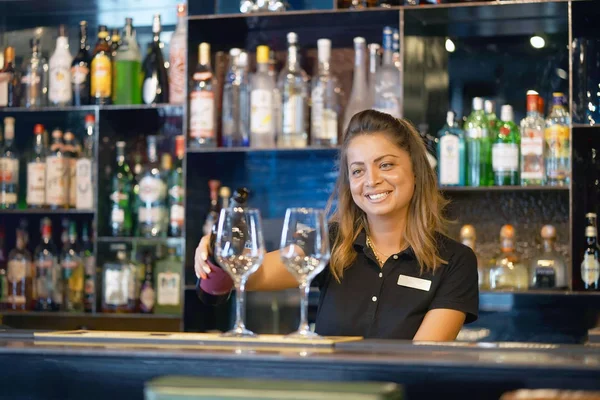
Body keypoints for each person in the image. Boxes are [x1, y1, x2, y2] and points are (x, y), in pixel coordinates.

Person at [195, 110, 479, 341]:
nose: (371, 180)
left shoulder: (454, 262)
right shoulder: (329, 242)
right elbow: (245, 276)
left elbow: (420, 362)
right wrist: (217, 253)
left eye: (386, 165)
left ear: (416, 171)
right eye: (358, 170)